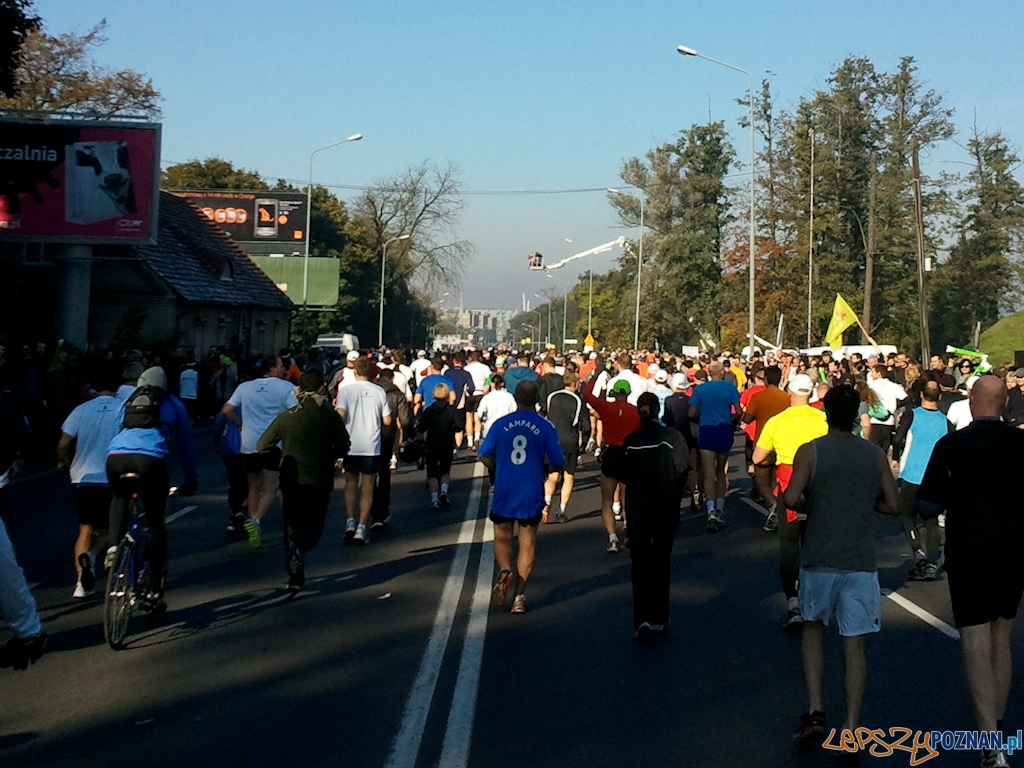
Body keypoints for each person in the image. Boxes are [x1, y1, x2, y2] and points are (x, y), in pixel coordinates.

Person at [781, 386, 901, 741]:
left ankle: (816, 707)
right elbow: (894, 505)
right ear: (854, 414)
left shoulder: (811, 451)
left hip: (819, 557)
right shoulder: (874, 454)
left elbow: (791, 496)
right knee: (854, 644)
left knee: (813, 631)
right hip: (860, 561)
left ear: (826, 412)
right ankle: (852, 725)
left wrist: (813, 503)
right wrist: (867, 503)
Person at [917, 376, 1024, 768]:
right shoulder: (1020, 444)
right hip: (1014, 552)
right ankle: (998, 721)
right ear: (1006, 402)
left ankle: (989, 742)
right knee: (1002, 635)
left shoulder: (952, 446)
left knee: (975, 642)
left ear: (971, 402)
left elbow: (928, 505)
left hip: (968, 552)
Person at [105, 367, 198, 610]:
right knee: (155, 522)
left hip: (116, 457)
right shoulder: (173, 404)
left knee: (118, 498)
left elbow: (116, 432)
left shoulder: (127, 402)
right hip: (150, 462)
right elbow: (186, 446)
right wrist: (191, 479)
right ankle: (154, 589)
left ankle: (114, 546)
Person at [257, 369, 350, 590]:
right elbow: (345, 446)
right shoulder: (328, 416)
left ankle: (295, 576)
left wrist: (281, 458)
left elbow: (262, 446)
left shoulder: (287, 417)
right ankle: (300, 545)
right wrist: (331, 456)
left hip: (291, 479)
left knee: (291, 524)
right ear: (321, 389)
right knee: (314, 527)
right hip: (319, 478)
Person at [478, 380, 564, 615]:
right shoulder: (545, 426)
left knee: (502, 536)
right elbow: (558, 460)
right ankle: (519, 596)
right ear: (537, 399)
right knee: (527, 542)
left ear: (515, 398)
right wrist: (544, 466)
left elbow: (483, 453)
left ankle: (505, 567)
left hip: (505, 489)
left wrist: (497, 468)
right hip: (530, 491)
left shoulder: (501, 424)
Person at [610, 392, 690, 641]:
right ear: (658, 411)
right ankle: (660, 615)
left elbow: (622, 474)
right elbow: (682, 468)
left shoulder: (632, 440)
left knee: (640, 563)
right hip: (666, 506)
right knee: (662, 560)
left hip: (638, 508)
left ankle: (641, 617)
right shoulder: (672, 437)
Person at [752, 372, 828, 627]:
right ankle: (815, 601)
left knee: (789, 547)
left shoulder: (777, 421)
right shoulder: (822, 418)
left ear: (790, 392)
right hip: (818, 484)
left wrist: (774, 458)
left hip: (788, 484)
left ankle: (793, 602)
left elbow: (757, 457)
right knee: (815, 544)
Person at [56, 369, 125, 599]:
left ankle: (81, 585)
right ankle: (95, 556)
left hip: (81, 477)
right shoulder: (122, 408)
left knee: (85, 528)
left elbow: (63, 443)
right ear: (117, 388)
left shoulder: (81, 409)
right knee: (114, 526)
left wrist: (63, 461)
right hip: (111, 475)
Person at [222, 354, 297, 548]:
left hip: (249, 443)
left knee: (253, 485)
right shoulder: (286, 388)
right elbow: (296, 411)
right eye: (281, 366)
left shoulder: (245, 387)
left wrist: (240, 423)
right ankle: (255, 520)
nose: (285, 369)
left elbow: (227, 409)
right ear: (272, 368)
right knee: (272, 485)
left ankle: (253, 520)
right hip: (272, 443)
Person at [890, 378, 952, 581]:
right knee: (932, 521)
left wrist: (896, 457)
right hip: (936, 477)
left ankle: (918, 553)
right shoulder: (946, 421)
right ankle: (933, 563)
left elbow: (898, 438)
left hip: (913, 475)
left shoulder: (912, 415)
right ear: (940, 397)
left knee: (907, 517)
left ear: (921, 395)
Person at [0, 395, 46, 670]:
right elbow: (31, 442)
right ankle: (28, 633)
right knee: (6, 570)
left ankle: (28, 633)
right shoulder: (8, 413)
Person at [335, 357, 392, 544]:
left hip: (350, 445)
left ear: (354, 371)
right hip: (371, 445)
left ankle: (349, 522)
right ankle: (361, 526)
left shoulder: (346, 391)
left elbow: (340, 415)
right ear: (372, 372)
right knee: (368, 487)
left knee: (350, 484)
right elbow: (387, 421)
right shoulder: (379, 391)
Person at [583, 375, 640, 553]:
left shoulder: (606, 407)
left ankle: (612, 539)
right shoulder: (635, 411)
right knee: (627, 497)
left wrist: (594, 377)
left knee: (607, 500)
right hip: (628, 455)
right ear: (629, 394)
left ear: (613, 393)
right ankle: (627, 525)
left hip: (611, 454)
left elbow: (586, 394)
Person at [687, 361, 741, 532]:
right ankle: (720, 508)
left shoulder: (700, 390)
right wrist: (732, 421)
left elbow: (691, 413)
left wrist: (701, 419)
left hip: (707, 430)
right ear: (722, 373)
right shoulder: (730, 389)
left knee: (708, 472)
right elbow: (739, 412)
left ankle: (710, 510)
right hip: (724, 429)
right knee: (720, 471)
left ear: (709, 373)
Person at [743, 366, 790, 528]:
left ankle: (773, 506)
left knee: (761, 480)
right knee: (775, 481)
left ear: (766, 380)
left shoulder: (758, 397)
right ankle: (776, 509)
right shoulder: (786, 398)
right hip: (782, 444)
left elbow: (747, 418)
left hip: (763, 443)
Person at [543, 371, 587, 523]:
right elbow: (583, 424)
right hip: (570, 440)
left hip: (553, 440)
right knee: (568, 476)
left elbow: (546, 415)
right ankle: (561, 510)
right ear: (574, 384)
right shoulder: (577, 400)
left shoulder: (552, 397)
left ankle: (546, 501)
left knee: (552, 475)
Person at [371, 368, 412, 528]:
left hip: (369, 436)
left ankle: (372, 507)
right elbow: (405, 420)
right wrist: (412, 434)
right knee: (384, 473)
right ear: (392, 379)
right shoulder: (397, 395)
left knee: (369, 475)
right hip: (387, 436)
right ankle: (382, 509)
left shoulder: (371, 391)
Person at [419, 383, 463, 509]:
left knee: (432, 472)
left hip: (432, 443)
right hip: (447, 442)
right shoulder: (451, 410)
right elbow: (459, 426)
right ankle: (443, 491)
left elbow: (422, 428)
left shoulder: (429, 410)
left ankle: (434, 498)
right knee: (445, 470)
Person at [866, 364, 907, 453]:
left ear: (879, 373)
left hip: (874, 420)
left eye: (873, 372)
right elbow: (905, 398)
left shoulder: (870, 385)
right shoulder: (893, 386)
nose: (871, 375)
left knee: (873, 450)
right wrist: (896, 406)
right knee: (884, 450)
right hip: (889, 421)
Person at [463, 350, 492, 449]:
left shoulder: (466, 368)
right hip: (480, 393)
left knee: (468, 417)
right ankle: (476, 438)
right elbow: (489, 379)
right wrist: (486, 387)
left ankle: (470, 441)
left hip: (468, 394)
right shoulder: (485, 368)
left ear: (471, 358)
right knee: (477, 417)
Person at [477, 374, 516, 439]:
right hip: (506, 429)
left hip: (489, 429)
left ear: (492, 384)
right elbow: (514, 412)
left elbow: (480, 413)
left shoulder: (487, 397)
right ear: (502, 383)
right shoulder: (509, 396)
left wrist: (483, 421)